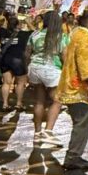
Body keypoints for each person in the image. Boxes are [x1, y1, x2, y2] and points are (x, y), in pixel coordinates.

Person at [57, 10, 88, 172]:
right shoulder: (84, 37)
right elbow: (85, 65)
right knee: (83, 122)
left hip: (73, 85)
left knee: (81, 121)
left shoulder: (75, 34)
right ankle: (73, 157)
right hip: (80, 89)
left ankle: (74, 156)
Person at [27, 10, 70, 147]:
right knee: (57, 100)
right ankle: (48, 132)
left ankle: (37, 134)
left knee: (39, 101)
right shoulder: (61, 36)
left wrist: (27, 70)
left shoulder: (34, 34)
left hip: (34, 68)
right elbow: (65, 58)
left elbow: (27, 53)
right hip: (52, 70)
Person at [0, 15, 31, 111]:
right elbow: (35, 31)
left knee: (6, 83)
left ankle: (5, 104)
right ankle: (19, 103)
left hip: (5, 60)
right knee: (20, 83)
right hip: (18, 60)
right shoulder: (23, 34)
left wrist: (8, 23)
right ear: (18, 25)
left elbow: (3, 27)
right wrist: (27, 22)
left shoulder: (2, 32)